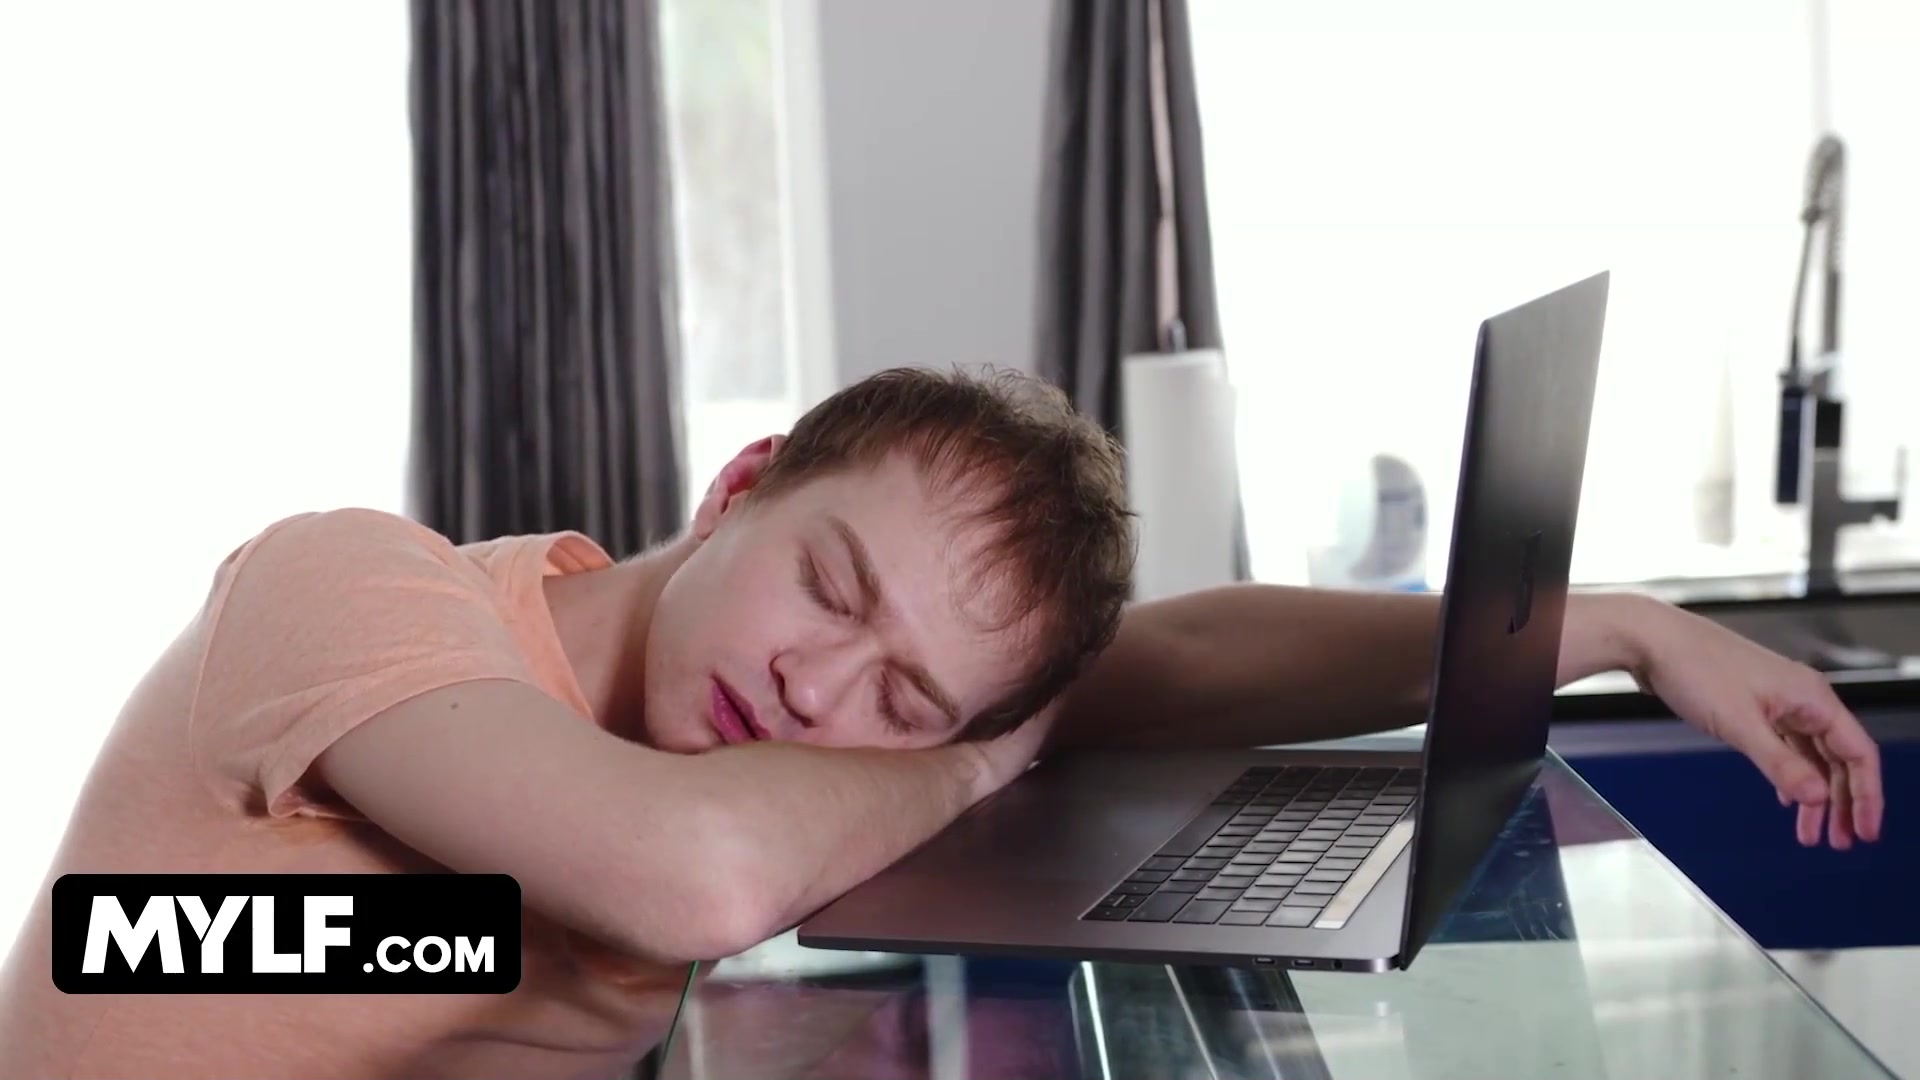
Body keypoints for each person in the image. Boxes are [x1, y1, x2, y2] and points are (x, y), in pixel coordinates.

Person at [0, 366, 1882, 1079]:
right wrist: (972, 750)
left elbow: (1177, 662)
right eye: (829, 586)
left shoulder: (771, 746)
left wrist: (1616, 630)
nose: (820, 693)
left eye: (905, 692)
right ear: (742, 485)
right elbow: (695, 876)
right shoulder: (352, 584)